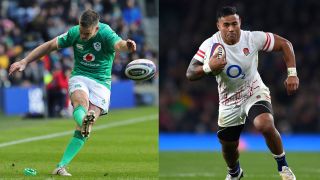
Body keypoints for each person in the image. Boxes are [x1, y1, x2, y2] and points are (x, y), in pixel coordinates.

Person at [9, 9, 136, 176]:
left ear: (96, 29)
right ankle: (84, 119)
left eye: (87, 33)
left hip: (101, 83)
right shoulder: (74, 33)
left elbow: (118, 45)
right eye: (81, 32)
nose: (82, 36)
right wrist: (25, 61)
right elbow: (49, 46)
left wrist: (127, 46)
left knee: (85, 128)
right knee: (80, 103)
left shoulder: (105, 33)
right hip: (80, 76)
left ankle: (61, 166)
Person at [186, 6, 298, 180]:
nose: (231, 28)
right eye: (226, 25)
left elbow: (285, 44)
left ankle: (284, 168)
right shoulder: (210, 45)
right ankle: (235, 172)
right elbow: (190, 73)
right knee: (228, 147)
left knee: (265, 124)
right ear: (218, 25)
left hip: (253, 91)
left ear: (240, 23)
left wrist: (292, 74)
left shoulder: (252, 38)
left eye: (234, 24)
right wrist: (209, 67)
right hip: (228, 100)